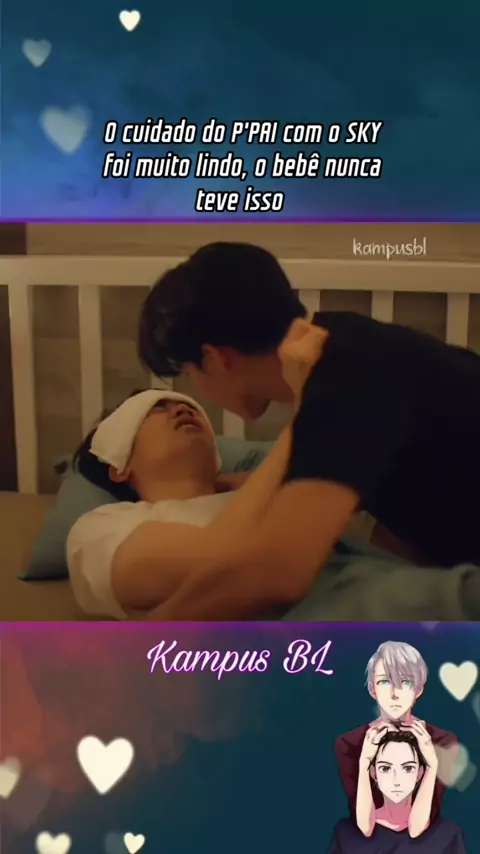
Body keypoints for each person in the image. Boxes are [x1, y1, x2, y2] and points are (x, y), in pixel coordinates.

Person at [137, 241, 480, 620]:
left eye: (190, 374)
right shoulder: (344, 340)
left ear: (215, 359)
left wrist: (146, 637)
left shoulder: (346, 382)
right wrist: (218, 484)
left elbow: (277, 575)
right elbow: (324, 471)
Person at [334, 642, 457, 826]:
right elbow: (365, 825)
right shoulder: (349, 744)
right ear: (372, 689)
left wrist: (432, 763)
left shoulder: (443, 741)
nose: (394, 694)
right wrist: (364, 762)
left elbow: (422, 824)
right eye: (384, 682)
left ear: (419, 689)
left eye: (405, 682)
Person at [329, 728, 466, 853]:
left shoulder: (448, 835)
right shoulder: (345, 835)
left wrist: (432, 765)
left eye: (408, 768)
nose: (396, 780)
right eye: (385, 768)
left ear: (420, 773)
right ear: (373, 773)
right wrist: (364, 761)